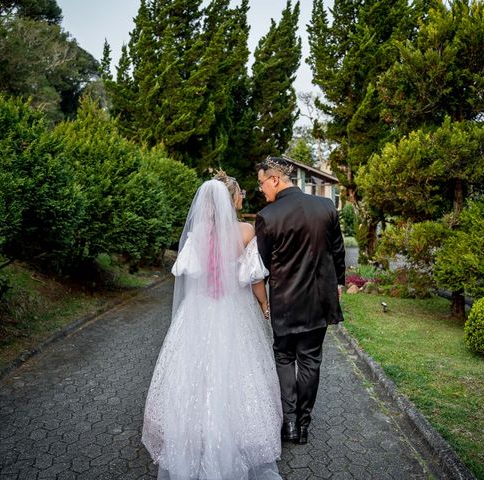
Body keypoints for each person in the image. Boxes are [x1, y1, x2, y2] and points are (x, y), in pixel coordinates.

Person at [142, 173, 282, 480]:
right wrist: (262, 304)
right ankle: (235, 439)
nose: (243, 198)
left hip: (199, 309)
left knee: (194, 369)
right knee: (237, 369)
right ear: (231, 199)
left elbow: (187, 272)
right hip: (235, 310)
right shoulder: (246, 231)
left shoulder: (199, 233)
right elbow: (255, 277)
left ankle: (192, 434)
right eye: (241, 194)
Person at [255, 156, 345, 445]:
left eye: (261, 183)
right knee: (310, 361)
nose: (261, 190)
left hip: (285, 302)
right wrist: (339, 283)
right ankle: (304, 426)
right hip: (320, 301)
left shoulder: (268, 217)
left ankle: (290, 423)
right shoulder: (326, 207)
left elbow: (264, 264)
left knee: (284, 358)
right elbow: (338, 252)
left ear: (275, 179)